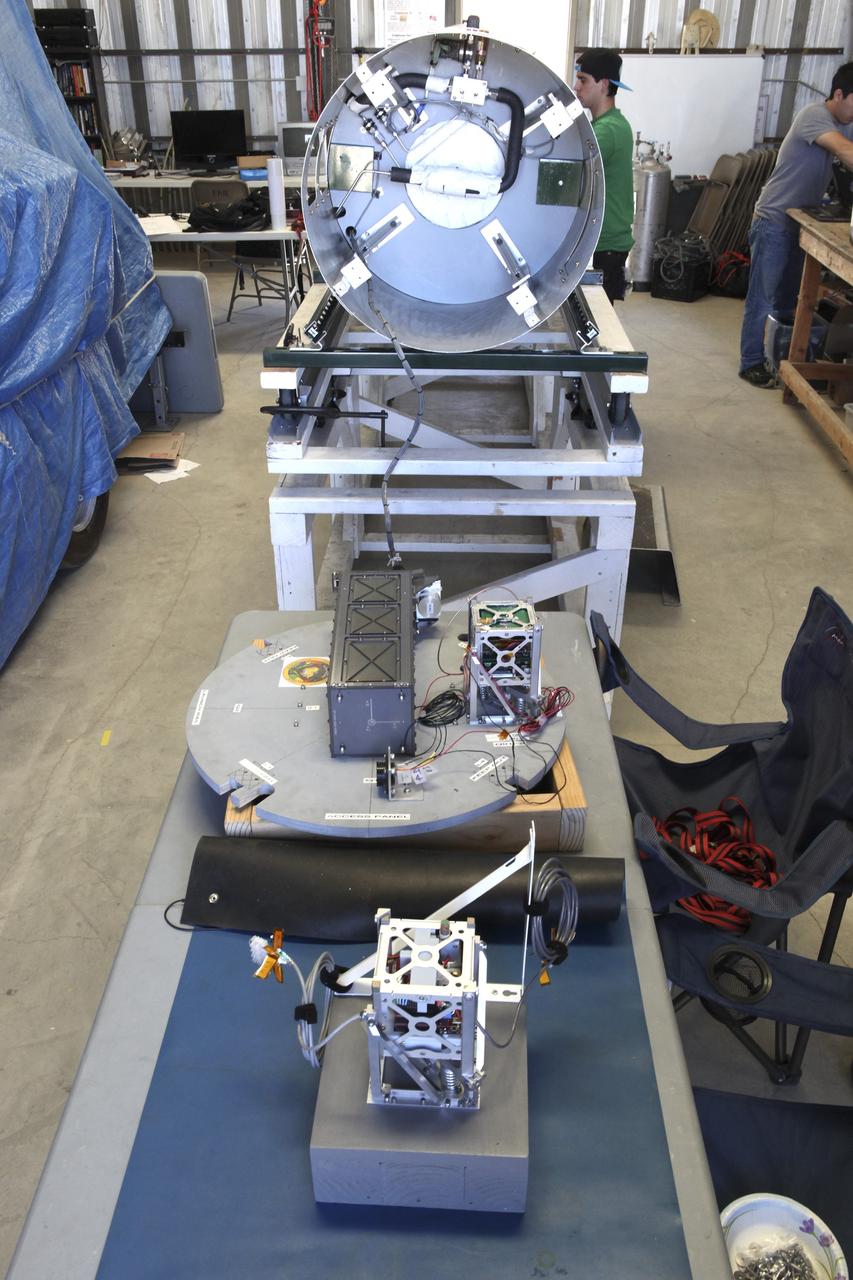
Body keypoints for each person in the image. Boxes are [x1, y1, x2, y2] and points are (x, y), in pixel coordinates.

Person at [739, 62, 853, 387]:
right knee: (762, 298)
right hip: (773, 220)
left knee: (791, 301)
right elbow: (846, 153)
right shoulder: (815, 116)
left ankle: (784, 359)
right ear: (839, 94)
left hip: (800, 222)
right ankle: (750, 362)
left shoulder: (848, 122)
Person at [573, 48, 635, 303]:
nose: (576, 86)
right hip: (606, 242)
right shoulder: (609, 125)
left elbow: (569, 169)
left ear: (604, 84)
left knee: (596, 323)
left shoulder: (607, 131)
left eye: (584, 80)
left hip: (604, 244)